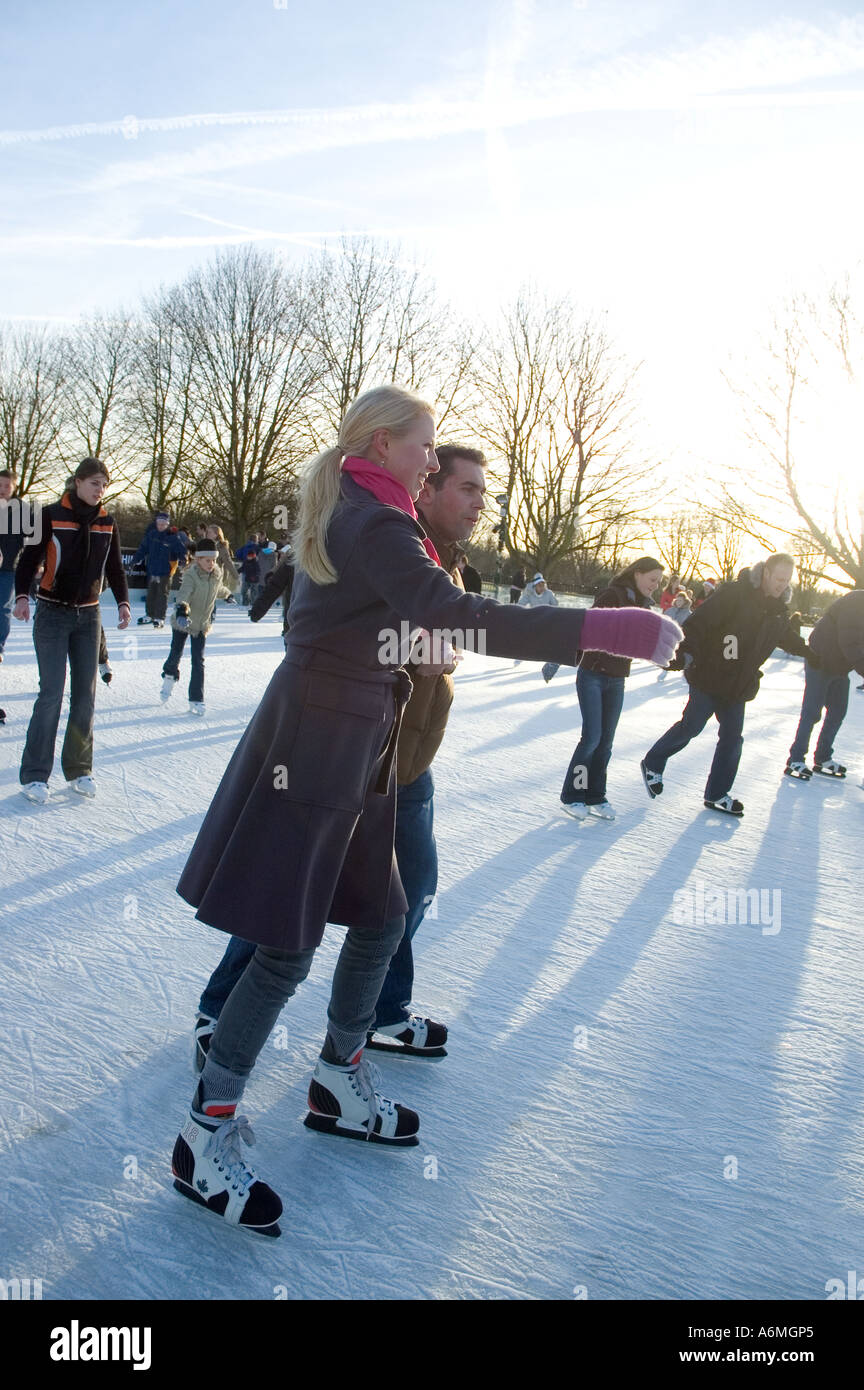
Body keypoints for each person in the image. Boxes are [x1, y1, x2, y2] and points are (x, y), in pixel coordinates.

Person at [169, 384, 680, 1237]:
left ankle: (337, 1075)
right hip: (321, 744)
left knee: (382, 916)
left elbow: (400, 628)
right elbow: (453, 614)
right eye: (426, 444)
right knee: (285, 951)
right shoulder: (375, 520)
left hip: (363, 741)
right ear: (381, 441)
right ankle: (204, 1131)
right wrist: (609, 628)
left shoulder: (377, 510)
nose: (436, 459)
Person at [194, 445, 489, 1070]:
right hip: (345, 753)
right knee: (288, 896)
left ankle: (381, 1012)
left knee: (403, 895)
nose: (478, 504)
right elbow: (324, 633)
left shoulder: (450, 562)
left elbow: (455, 631)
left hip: (406, 758)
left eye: (482, 492)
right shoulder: (376, 539)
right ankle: (220, 1013)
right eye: (466, 489)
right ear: (428, 490)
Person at [641, 553, 815, 817]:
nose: (782, 585)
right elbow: (700, 622)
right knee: (692, 726)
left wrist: (814, 653)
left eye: (787, 580)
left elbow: (786, 638)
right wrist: (685, 652)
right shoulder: (736, 593)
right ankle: (653, 761)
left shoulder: (778, 610)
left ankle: (717, 794)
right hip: (710, 674)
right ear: (766, 573)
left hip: (738, 685)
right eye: (779, 578)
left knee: (733, 739)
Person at [13, 458, 130, 802]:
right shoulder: (47, 515)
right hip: (52, 613)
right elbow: (29, 560)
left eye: (104, 485)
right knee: (51, 695)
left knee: (85, 697)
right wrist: (22, 596)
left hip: (89, 618)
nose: (100, 490)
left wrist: (123, 602)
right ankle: (35, 775)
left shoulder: (107, 521)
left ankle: (80, 770)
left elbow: (115, 568)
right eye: (95, 483)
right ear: (77, 482)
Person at [560, 557, 665, 821]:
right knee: (592, 738)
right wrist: (561, 655)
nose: (655, 586)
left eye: (659, 582)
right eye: (652, 580)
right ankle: (574, 796)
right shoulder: (613, 595)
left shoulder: (645, 606)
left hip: (617, 678)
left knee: (606, 743)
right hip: (592, 674)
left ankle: (596, 795)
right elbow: (588, 626)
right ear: (637, 574)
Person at [785, 590, 864, 779]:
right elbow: (849, 641)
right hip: (819, 659)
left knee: (838, 712)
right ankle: (796, 758)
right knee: (811, 712)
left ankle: (822, 757)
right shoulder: (855, 602)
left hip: (840, 666)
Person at [160, 538, 239, 715]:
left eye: (213, 560)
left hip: (201, 625)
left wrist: (227, 595)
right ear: (198, 560)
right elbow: (184, 595)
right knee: (175, 654)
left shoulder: (217, 575)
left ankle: (196, 698)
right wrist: (181, 611)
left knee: (198, 661)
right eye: (207, 560)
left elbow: (219, 589)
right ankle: (169, 675)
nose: (211, 564)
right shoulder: (191, 576)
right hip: (183, 622)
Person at [0, 468, 33, 664]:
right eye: (0, 485)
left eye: (7, 486)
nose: (3, 489)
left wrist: (34, 562)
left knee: (3, 607)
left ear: (13, 487)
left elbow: (32, 539)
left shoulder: (23, 510)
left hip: (9, 569)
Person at [133, 511, 186, 628]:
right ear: (156, 523)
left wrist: (183, 560)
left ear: (167, 524)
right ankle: (149, 615)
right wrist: (135, 559)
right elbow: (143, 548)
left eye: (163, 523)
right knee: (151, 593)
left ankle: (159, 617)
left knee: (162, 594)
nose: (161, 525)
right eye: (159, 523)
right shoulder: (151, 535)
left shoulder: (172, 537)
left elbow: (181, 550)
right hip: (152, 569)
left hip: (166, 570)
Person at [520, 573, 561, 680]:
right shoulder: (530, 593)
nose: (541, 587)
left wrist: (554, 603)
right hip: (535, 618)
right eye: (539, 585)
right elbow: (521, 604)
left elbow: (556, 605)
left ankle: (546, 653)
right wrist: (516, 611)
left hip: (547, 619)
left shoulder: (548, 594)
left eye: (543, 584)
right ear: (535, 585)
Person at [656, 590, 692, 680]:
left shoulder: (688, 613)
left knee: (680, 655)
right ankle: (665, 670)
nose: (679, 602)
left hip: (681, 638)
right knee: (669, 654)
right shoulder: (669, 611)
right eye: (678, 600)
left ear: (685, 602)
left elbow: (690, 626)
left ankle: (685, 670)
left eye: (681, 601)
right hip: (669, 637)